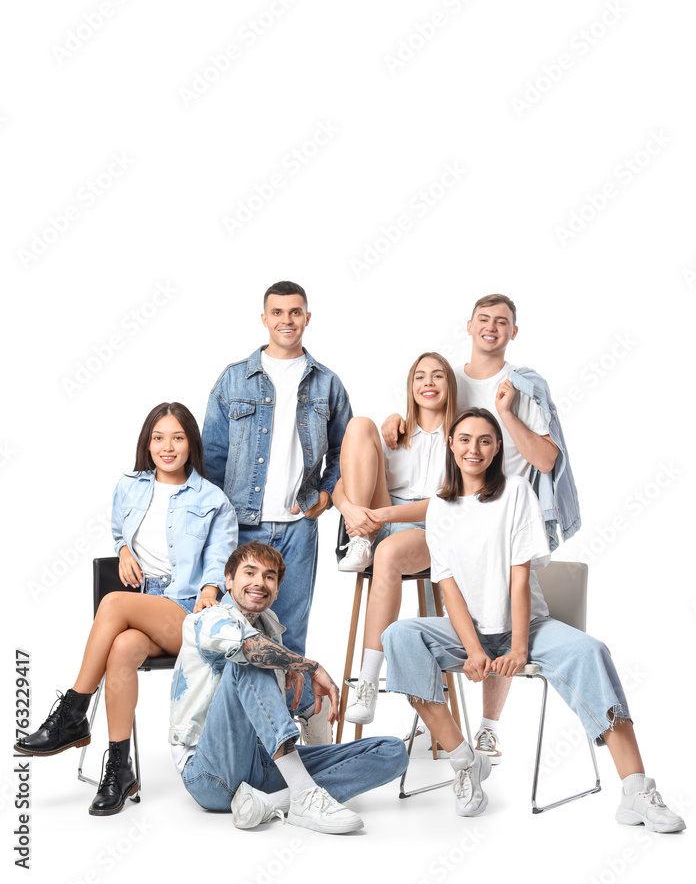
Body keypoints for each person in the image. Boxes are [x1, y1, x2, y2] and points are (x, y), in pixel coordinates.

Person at [379, 409, 685, 832]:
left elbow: (518, 579)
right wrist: (471, 650)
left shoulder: (517, 492)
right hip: (467, 630)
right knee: (399, 635)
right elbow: (448, 588)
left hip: (527, 627)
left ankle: (636, 791)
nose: (474, 448)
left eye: (485, 440)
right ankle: (466, 763)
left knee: (591, 651)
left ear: (497, 447)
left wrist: (519, 647)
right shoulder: (439, 509)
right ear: (451, 444)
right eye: (465, 439)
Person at [381, 293, 580, 765]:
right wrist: (396, 417)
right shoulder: (450, 379)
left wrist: (507, 414)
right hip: (448, 513)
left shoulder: (520, 387)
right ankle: (440, 726)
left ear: (514, 332)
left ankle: (487, 730)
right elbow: (423, 417)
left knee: (503, 618)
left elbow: (548, 460)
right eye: (484, 320)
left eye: (503, 322)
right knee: (446, 619)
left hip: (508, 518)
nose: (492, 328)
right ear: (469, 326)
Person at [15, 402, 237, 817]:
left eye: (177, 437)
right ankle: (120, 768)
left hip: (186, 611)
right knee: (121, 650)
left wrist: (210, 590)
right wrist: (122, 550)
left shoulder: (213, 499)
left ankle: (74, 712)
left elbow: (220, 560)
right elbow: (121, 528)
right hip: (142, 610)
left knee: (113, 602)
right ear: (147, 443)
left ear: (191, 444)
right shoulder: (130, 486)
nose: (167, 447)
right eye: (158, 438)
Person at [201, 280, 352, 744]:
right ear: (264, 318)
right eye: (278, 312)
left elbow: (348, 449)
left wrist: (325, 495)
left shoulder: (326, 382)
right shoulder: (234, 378)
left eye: (296, 312)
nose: (287, 320)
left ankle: (300, 737)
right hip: (243, 527)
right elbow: (212, 456)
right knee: (236, 639)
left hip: (298, 530)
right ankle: (234, 739)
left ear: (308, 318)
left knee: (290, 635)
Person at [171, 541, 408, 834]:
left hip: (261, 765)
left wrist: (288, 666)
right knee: (248, 657)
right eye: (249, 572)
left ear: (277, 588)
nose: (260, 582)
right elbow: (249, 648)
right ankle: (304, 794)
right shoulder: (209, 617)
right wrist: (308, 666)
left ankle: (273, 803)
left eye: (269, 576)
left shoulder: (269, 623)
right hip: (209, 773)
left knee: (392, 751)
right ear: (229, 580)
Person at [331, 352, 458, 725]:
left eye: (438, 376)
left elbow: (446, 504)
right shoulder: (395, 433)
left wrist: (378, 517)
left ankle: (367, 683)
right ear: (410, 387)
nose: (429, 383)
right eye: (420, 377)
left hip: (425, 529)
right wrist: (351, 512)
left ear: (450, 385)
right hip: (372, 523)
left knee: (387, 553)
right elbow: (344, 484)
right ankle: (359, 541)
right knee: (358, 425)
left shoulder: (461, 436)